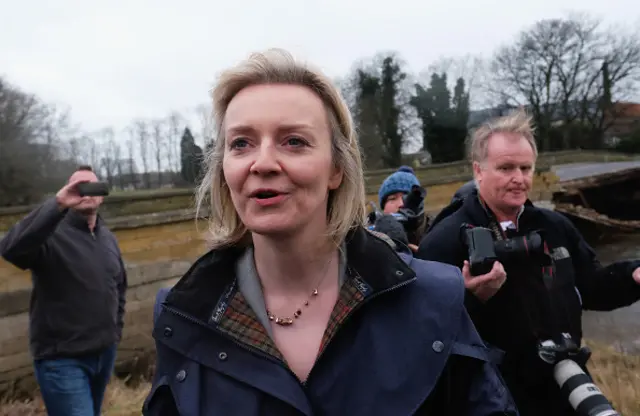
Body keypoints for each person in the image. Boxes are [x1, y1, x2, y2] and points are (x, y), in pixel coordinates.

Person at [143, 49, 517, 416]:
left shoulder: (432, 301)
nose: (263, 162)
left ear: (337, 169)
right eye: (241, 143)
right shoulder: (185, 318)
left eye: (294, 141)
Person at [416, 110, 640, 416]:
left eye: (526, 168)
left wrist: (633, 275)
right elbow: (422, 337)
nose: (519, 179)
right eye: (506, 168)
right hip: (490, 398)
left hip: (564, 379)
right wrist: (471, 299)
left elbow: (593, 287)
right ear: (478, 170)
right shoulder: (442, 242)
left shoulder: (555, 227)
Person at [0, 166, 127, 416]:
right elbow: (10, 249)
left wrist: (115, 332)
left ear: (101, 193)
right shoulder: (48, 235)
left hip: (104, 353)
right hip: (62, 360)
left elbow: (119, 287)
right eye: (78, 188)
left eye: (91, 186)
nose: (85, 193)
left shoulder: (107, 238)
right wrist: (57, 203)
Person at [372, 166, 428, 250]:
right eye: (392, 199)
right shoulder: (369, 237)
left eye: (406, 198)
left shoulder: (435, 232)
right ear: (383, 208)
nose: (400, 204)